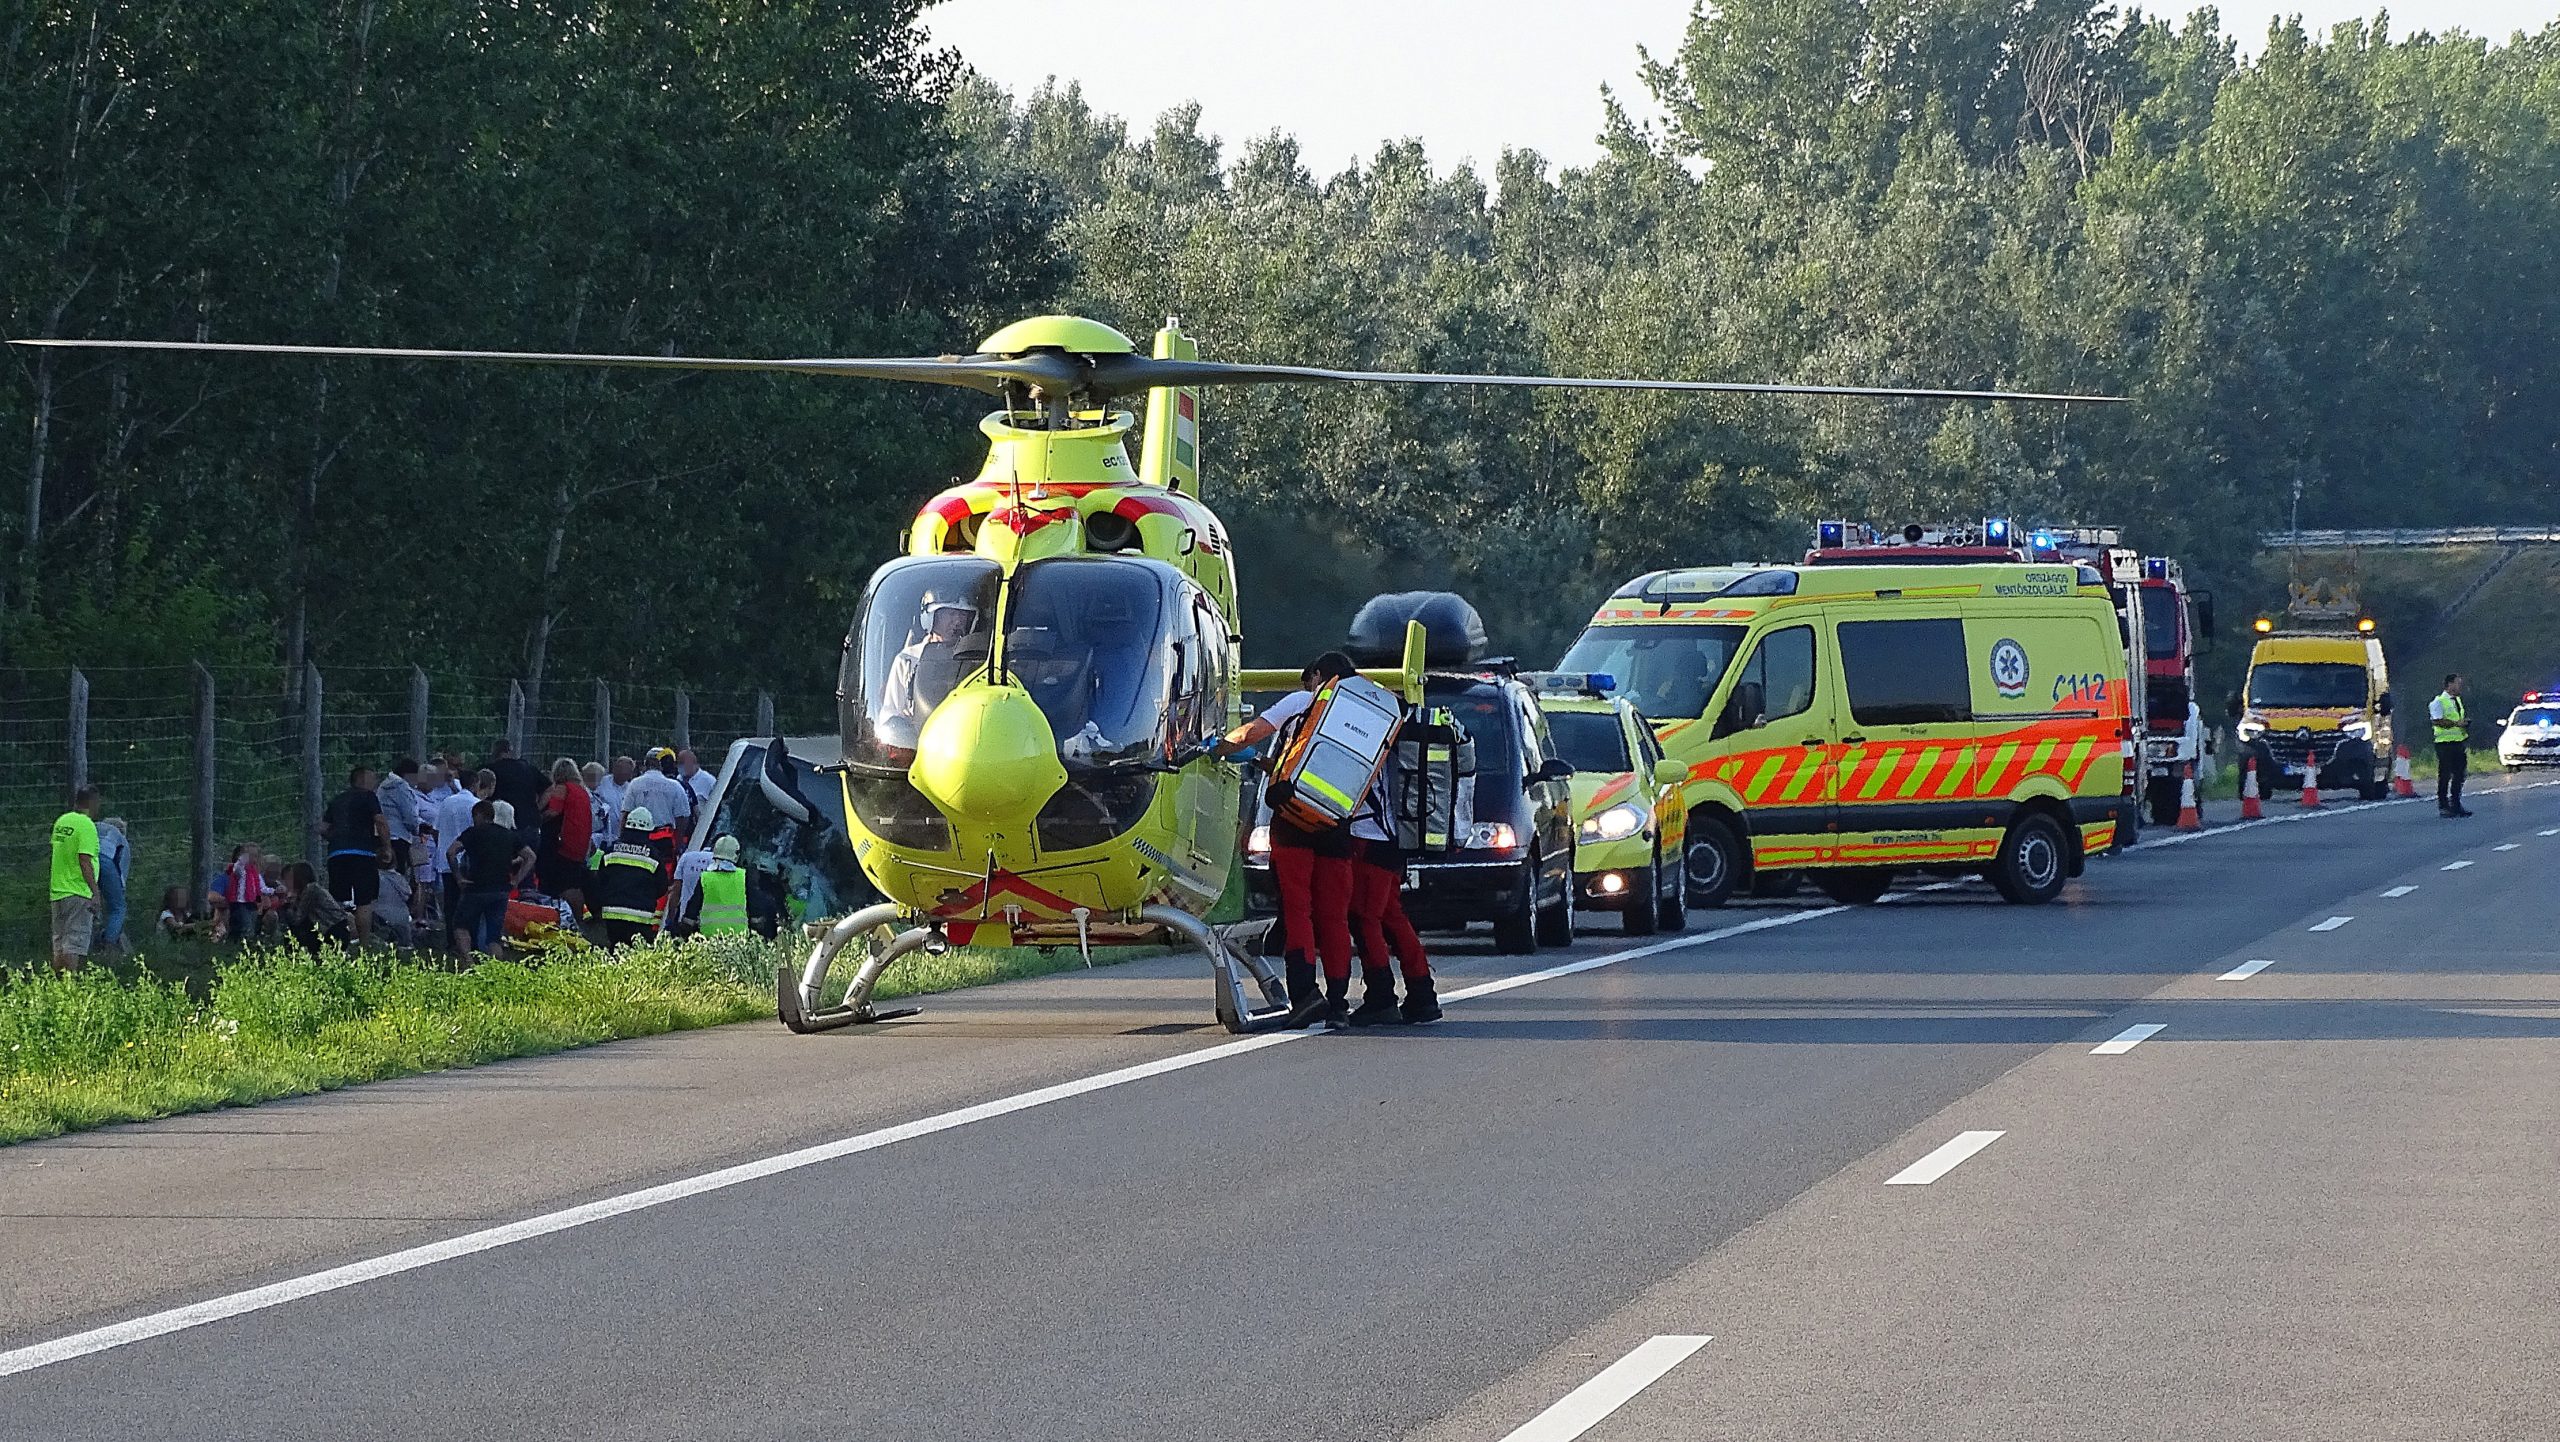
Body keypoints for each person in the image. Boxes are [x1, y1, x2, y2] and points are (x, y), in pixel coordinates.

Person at [1211, 653, 1363, 1029]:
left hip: (1294, 823)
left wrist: (1218, 747)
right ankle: (1340, 1004)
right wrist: (1267, 764)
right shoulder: (1360, 717)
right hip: (1338, 826)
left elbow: (1252, 732)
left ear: (1317, 676)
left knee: (1298, 911)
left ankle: (1305, 996)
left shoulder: (1304, 702)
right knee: (1333, 916)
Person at [1345, 765, 1439, 1026]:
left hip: (1369, 837)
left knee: (1365, 918)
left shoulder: (1367, 734)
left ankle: (1381, 996)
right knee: (1390, 914)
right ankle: (1422, 993)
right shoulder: (1390, 732)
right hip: (1394, 836)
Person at [878, 598, 986, 734]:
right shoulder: (907, 660)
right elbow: (890, 716)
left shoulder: (977, 659)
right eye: (951, 613)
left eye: (963, 614)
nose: (958, 621)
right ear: (932, 617)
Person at [447, 798, 533, 956]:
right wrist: (516, 879)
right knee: (494, 936)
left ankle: (467, 962)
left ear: (479, 815)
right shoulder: (508, 835)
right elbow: (530, 856)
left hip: (475, 887)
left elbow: (451, 852)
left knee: (460, 925)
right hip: (500, 889)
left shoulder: (473, 833)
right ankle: (495, 969)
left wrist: (458, 877)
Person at [321, 764, 388, 943]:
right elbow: (380, 822)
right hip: (362, 853)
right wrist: (386, 846)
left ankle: (339, 940)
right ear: (362, 779)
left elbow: (324, 827)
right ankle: (364, 943)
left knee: (338, 900)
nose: (375, 782)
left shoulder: (337, 800)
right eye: (372, 778)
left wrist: (337, 839)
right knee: (363, 900)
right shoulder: (368, 797)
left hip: (337, 854)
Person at [592, 806, 671, 946]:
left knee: (614, 954)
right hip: (641, 917)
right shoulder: (653, 856)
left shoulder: (611, 851)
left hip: (612, 915)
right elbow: (662, 887)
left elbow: (599, 882)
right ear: (648, 831)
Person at [49, 785, 103, 973]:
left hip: (58, 890)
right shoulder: (86, 826)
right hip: (78, 891)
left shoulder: (62, 822)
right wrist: (95, 892)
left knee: (60, 943)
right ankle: (69, 987)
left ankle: (57, 986)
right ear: (92, 802)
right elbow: (84, 859)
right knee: (74, 943)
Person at [435, 770, 496, 922]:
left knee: (450, 903)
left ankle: (450, 939)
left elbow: (436, 830)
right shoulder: (477, 806)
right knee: (469, 904)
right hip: (469, 862)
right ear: (476, 783)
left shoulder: (446, 802)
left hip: (446, 859)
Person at [536, 757, 594, 915]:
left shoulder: (562, 788)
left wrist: (536, 818)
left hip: (563, 845)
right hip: (580, 845)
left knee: (562, 884)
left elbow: (554, 811)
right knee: (573, 882)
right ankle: (579, 916)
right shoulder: (581, 791)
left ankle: (564, 915)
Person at [676, 835, 751, 936]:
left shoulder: (706, 878)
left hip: (709, 936)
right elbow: (755, 904)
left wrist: (685, 926)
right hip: (737, 937)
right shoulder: (743, 876)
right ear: (736, 855)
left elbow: (693, 908)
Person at [622, 747, 691, 848]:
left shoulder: (635, 784)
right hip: (665, 840)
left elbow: (626, 814)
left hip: (639, 838)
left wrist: (622, 839)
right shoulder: (675, 786)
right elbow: (683, 817)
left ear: (646, 763)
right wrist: (678, 843)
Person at [485, 738, 546, 849]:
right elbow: (550, 788)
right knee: (529, 859)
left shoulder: (490, 770)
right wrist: (538, 807)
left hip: (501, 825)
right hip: (529, 823)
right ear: (510, 751)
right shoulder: (528, 768)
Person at [280, 860, 354, 951]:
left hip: (334, 931)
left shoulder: (311, 889)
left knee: (296, 932)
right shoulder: (308, 890)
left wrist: (288, 905)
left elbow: (297, 918)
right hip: (331, 930)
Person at [2430, 673, 2472, 817]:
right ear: (2450, 685)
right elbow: (2436, 720)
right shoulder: (2438, 702)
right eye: (2458, 683)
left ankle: (2456, 803)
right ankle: (2443, 805)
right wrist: (2456, 723)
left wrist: (2463, 723)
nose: (2460, 686)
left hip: (2458, 742)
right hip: (2444, 743)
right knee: (2445, 775)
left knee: (2460, 774)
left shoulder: (2457, 700)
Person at [94, 814, 133, 956]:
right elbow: (120, 873)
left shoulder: (93, 827)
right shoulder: (121, 840)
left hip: (85, 859)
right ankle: (108, 948)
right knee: (118, 908)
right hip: (107, 861)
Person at [380, 757, 426, 877]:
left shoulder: (383, 787)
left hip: (384, 836)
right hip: (399, 838)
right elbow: (409, 816)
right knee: (400, 875)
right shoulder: (401, 787)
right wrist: (419, 828)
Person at [214, 841, 266, 942]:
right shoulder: (237, 870)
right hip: (239, 904)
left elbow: (259, 890)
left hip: (252, 904)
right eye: (249, 856)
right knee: (243, 927)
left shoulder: (255, 874)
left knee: (251, 925)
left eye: (255, 856)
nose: (253, 859)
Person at [373, 852, 417, 947]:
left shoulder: (372, 877)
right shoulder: (399, 878)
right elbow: (407, 895)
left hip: (379, 917)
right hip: (401, 917)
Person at [677, 748, 716, 814]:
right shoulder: (678, 779)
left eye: (683, 763)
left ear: (693, 763)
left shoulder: (708, 781)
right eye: (679, 763)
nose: (681, 767)